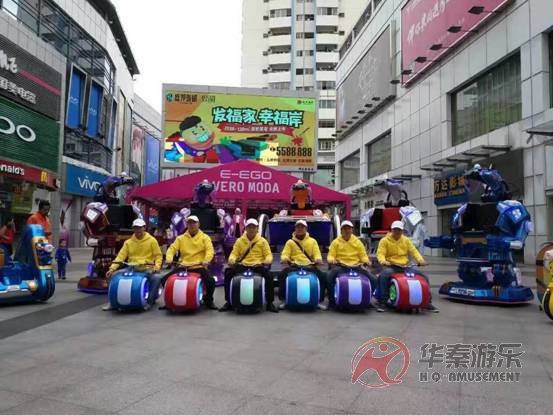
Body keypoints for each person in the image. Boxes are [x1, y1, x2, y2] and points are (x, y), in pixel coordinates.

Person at [376, 220, 438, 313]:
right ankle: (383, 301)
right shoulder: (384, 241)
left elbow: (414, 251)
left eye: (399, 230)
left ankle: (427, 302)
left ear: (402, 231)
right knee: (384, 275)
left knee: (424, 277)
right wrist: (383, 261)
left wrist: (420, 261)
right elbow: (380, 253)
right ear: (391, 230)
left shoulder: (406, 240)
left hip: (405, 266)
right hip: (391, 266)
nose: (397, 232)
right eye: (395, 229)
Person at [219, 218, 278, 313]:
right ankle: (229, 302)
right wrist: (231, 260)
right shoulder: (239, 241)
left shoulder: (263, 241)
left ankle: (270, 303)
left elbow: (268, 255)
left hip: (257, 265)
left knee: (269, 276)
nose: (251, 229)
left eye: (253, 227)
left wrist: (265, 261)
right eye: (249, 227)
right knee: (228, 273)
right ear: (245, 228)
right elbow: (234, 253)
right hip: (243, 265)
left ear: (257, 228)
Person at [103, 218, 163, 310]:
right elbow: (120, 257)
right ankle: (112, 302)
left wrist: (157, 267)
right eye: (135, 228)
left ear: (144, 228)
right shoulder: (128, 242)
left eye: (139, 227)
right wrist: (112, 269)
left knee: (156, 279)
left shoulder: (152, 240)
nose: (138, 230)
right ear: (133, 229)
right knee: (113, 276)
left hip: (146, 268)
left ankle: (149, 302)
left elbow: (158, 256)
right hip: (131, 268)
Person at [165, 215, 218, 309]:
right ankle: (169, 301)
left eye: (194, 222)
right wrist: (169, 258)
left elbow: (210, 251)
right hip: (183, 266)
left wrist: (206, 260)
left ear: (199, 224)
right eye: (189, 223)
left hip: (199, 266)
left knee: (211, 281)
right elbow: (172, 249)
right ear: (187, 225)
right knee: (164, 279)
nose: (192, 225)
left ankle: (208, 301)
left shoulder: (205, 237)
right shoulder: (180, 238)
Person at [278, 220, 328, 309]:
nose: (300, 229)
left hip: (309, 265)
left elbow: (317, 254)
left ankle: (319, 301)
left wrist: (318, 259)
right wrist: (285, 258)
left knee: (322, 276)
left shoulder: (312, 241)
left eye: (302, 227)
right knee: (282, 275)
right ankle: (284, 300)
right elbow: (285, 254)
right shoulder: (290, 242)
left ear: (306, 229)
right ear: (295, 229)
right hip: (295, 265)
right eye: (298, 227)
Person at [326, 220, 377, 308]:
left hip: (356, 266)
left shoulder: (357, 242)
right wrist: (331, 260)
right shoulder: (336, 242)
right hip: (341, 266)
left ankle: (368, 298)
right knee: (329, 276)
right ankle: (331, 301)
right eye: (344, 228)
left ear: (352, 230)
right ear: (341, 230)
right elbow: (330, 256)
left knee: (373, 279)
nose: (346, 230)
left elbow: (363, 255)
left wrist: (366, 261)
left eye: (348, 228)